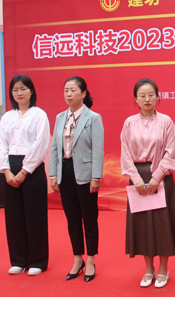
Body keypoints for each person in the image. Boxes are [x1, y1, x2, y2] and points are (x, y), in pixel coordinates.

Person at [121, 78, 175, 288]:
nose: (147, 99)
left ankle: (163, 268)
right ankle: (149, 268)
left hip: (161, 178)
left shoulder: (166, 121)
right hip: (137, 178)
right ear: (136, 99)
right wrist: (137, 179)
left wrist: (156, 176)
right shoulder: (129, 123)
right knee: (142, 225)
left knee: (163, 224)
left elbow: (170, 152)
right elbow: (125, 153)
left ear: (157, 97)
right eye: (142, 95)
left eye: (151, 95)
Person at [0, 74, 51, 276]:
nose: (19, 93)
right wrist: (6, 170)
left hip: (32, 170)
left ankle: (37, 260)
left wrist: (25, 171)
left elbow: (40, 144)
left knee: (35, 215)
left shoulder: (39, 115)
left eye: (23, 89)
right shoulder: (7, 117)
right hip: (10, 168)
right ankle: (18, 259)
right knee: (14, 216)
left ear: (31, 91)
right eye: (15, 90)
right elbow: (0, 143)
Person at [48, 75, 104, 283]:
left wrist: (96, 177)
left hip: (86, 174)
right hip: (65, 171)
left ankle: (91, 259)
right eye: (66, 90)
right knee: (72, 219)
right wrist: (53, 174)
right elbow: (55, 148)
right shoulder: (60, 117)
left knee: (89, 218)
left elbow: (98, 149)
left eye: (73, 90)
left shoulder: (93, 118)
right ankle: (77, 258)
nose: (69, 94)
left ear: (83, 93)